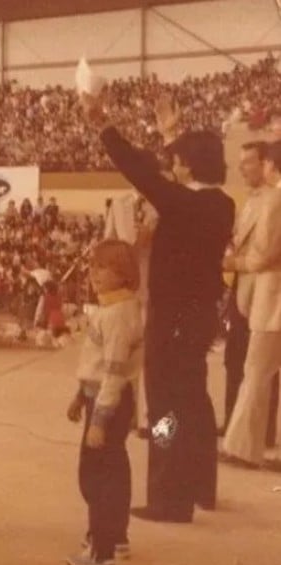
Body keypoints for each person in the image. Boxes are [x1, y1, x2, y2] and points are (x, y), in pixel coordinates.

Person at [81, 93, 235, 522]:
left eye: (180, 159)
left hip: (171, 320)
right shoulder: (220, 203)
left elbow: (142, 171)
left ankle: (171, 495)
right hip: (199, 317)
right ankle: (202, 485)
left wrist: (103, 126)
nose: (174, 164)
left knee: (166, 410)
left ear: (190, 165)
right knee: (195, 401)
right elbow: (173, 176)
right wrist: (172, 134)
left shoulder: (183, 203)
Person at [66, 240, 143, 565]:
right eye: (93, 266)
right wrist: (80, 395)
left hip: (108, 403)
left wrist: (99, 419)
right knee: (114, 468)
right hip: (102, 397)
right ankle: (116, 535)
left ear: (124, 274)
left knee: (95, 477)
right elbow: (96, 366)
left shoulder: (115, 316)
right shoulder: (116, 308)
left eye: (104, 268)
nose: (94, 273)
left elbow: (112, 373)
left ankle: (101, 551)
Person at [221, 140, 281, 469]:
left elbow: (263, 254)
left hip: (272, 300)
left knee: (256, 373)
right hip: (267, 299)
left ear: (270, 165)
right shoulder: (263, 200)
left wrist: (234, 263)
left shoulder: (274, 200)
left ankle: (243, 448)